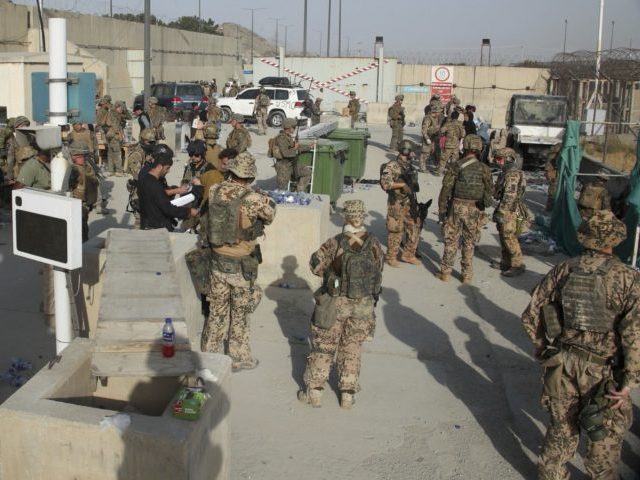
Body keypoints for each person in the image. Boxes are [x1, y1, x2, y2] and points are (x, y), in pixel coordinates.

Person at [521, 210, 639, 480]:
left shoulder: (564, 269)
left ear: (584, 237)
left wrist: (544, 350)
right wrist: (629, 381)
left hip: (562, 365)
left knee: (561, 429)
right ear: (616, 239)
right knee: (603, 438)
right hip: (604, 373)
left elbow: (531, 316)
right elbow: (635, 334)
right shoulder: (628, 278)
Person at [298, 199, 384, 409]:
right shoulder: (374, 243)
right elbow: (379, 270)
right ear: (363, 216)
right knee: (352, 347)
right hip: (363, 305)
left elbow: (315, 266)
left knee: (324, 346)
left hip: (335, 303)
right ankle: (347, 394)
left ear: (345, 217)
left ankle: (314, 392)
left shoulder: (334, 243)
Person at [201, 152, 276, 370]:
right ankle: (238, 356)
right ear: (250, 176)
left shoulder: (215, 190)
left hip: (217, 261)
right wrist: (262, 197)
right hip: (241, 265)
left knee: (217, 310)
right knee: (240, 313)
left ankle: (210, 353)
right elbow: (270, 214)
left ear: (232, 171)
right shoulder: (253, 199)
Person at [437, 134, 493, 283]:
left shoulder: (456, 166)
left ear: (465, 146)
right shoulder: (485, 169)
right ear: (479, 148)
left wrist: (442, 210)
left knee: (451, 240)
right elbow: (489, 195)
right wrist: (483, 204)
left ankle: (445, 272)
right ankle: (466, 275)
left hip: (456, 206)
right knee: (469, 242)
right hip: (475, 208)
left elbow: (445, 189)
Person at [380, 140, 421, 267]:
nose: (413, 154)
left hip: (409, 201)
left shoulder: (409, 166)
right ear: (406, 151)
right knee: (396, 230)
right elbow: (385, 183)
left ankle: (408, 254)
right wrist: (402, 185)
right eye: (411, 151)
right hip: (396, 203)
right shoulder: (393, 166)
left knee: (414, 227)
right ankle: (391, 257)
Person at [137, 144, 197, 231]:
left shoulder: (148, 179)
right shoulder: (153, 183)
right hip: (156, 228)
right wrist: (189, 212)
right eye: (167, 168)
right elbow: (167, 209)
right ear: (159, 166)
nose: (168, 171)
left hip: (149, 224)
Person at [491, 147, 527, 277]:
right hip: (507, 208)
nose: (497, 161)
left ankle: (517, 265)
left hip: (510, 210)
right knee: (503, 236)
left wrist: (501, 211)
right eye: (496, 159)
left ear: (508, 159)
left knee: (509, 237)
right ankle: (506, 262)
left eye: (499, 159)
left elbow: (510, 196)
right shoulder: (506, 172)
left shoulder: (512, 174)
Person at [67, 141, 99, 242]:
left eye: (83, 156)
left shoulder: (84, 167)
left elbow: (94, 183)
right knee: (81, 228)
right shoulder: (76, 169)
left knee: (82, 227)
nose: (83, 159)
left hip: (83, 202)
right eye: (80, 156)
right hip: (80, 203)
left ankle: (83, 244)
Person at [272, 118, 309, 191]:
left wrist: (308, 147)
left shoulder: (288, 137)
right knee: (282, 189)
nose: (294, 129)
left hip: (291, 164)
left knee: (307, 172)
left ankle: (298, 191)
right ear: (289, 127)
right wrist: (295, 148)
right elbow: (286, 153)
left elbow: (295, 148)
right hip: (283, 166)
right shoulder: (281, 138)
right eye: (294, 127)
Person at [438, 110, 465, 176]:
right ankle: (451, 173)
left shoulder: (448, 124)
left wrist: (444, 134)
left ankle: (440, 172)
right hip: (456, 145)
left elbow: (441, 130)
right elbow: (463, 134)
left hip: (448, 145)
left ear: (452, 117)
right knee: (454, 160)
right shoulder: (460, 124)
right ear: (458, 117)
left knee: (444, 159)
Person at [420, 105, 444, 173]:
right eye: (439, 112)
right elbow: (424, 130)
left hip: (434, 138)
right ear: (435, 112)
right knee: (425, 153)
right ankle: (422, 168)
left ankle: (436, 166)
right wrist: (427, 138)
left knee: (435, 152)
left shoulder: (436, 118)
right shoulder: (428, 118)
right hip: (428, 138)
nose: (439, 114)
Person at [104, 101, 125, 176]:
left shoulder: (110, 113)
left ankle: (110, 170)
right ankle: (119, 171)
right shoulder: (114, 114)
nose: (122, 110)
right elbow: (115, 126)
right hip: (114, 136)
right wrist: (119, 134)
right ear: (117, 107)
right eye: (121, 108)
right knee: (117, 153)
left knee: (110, 153)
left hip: (109, 136)